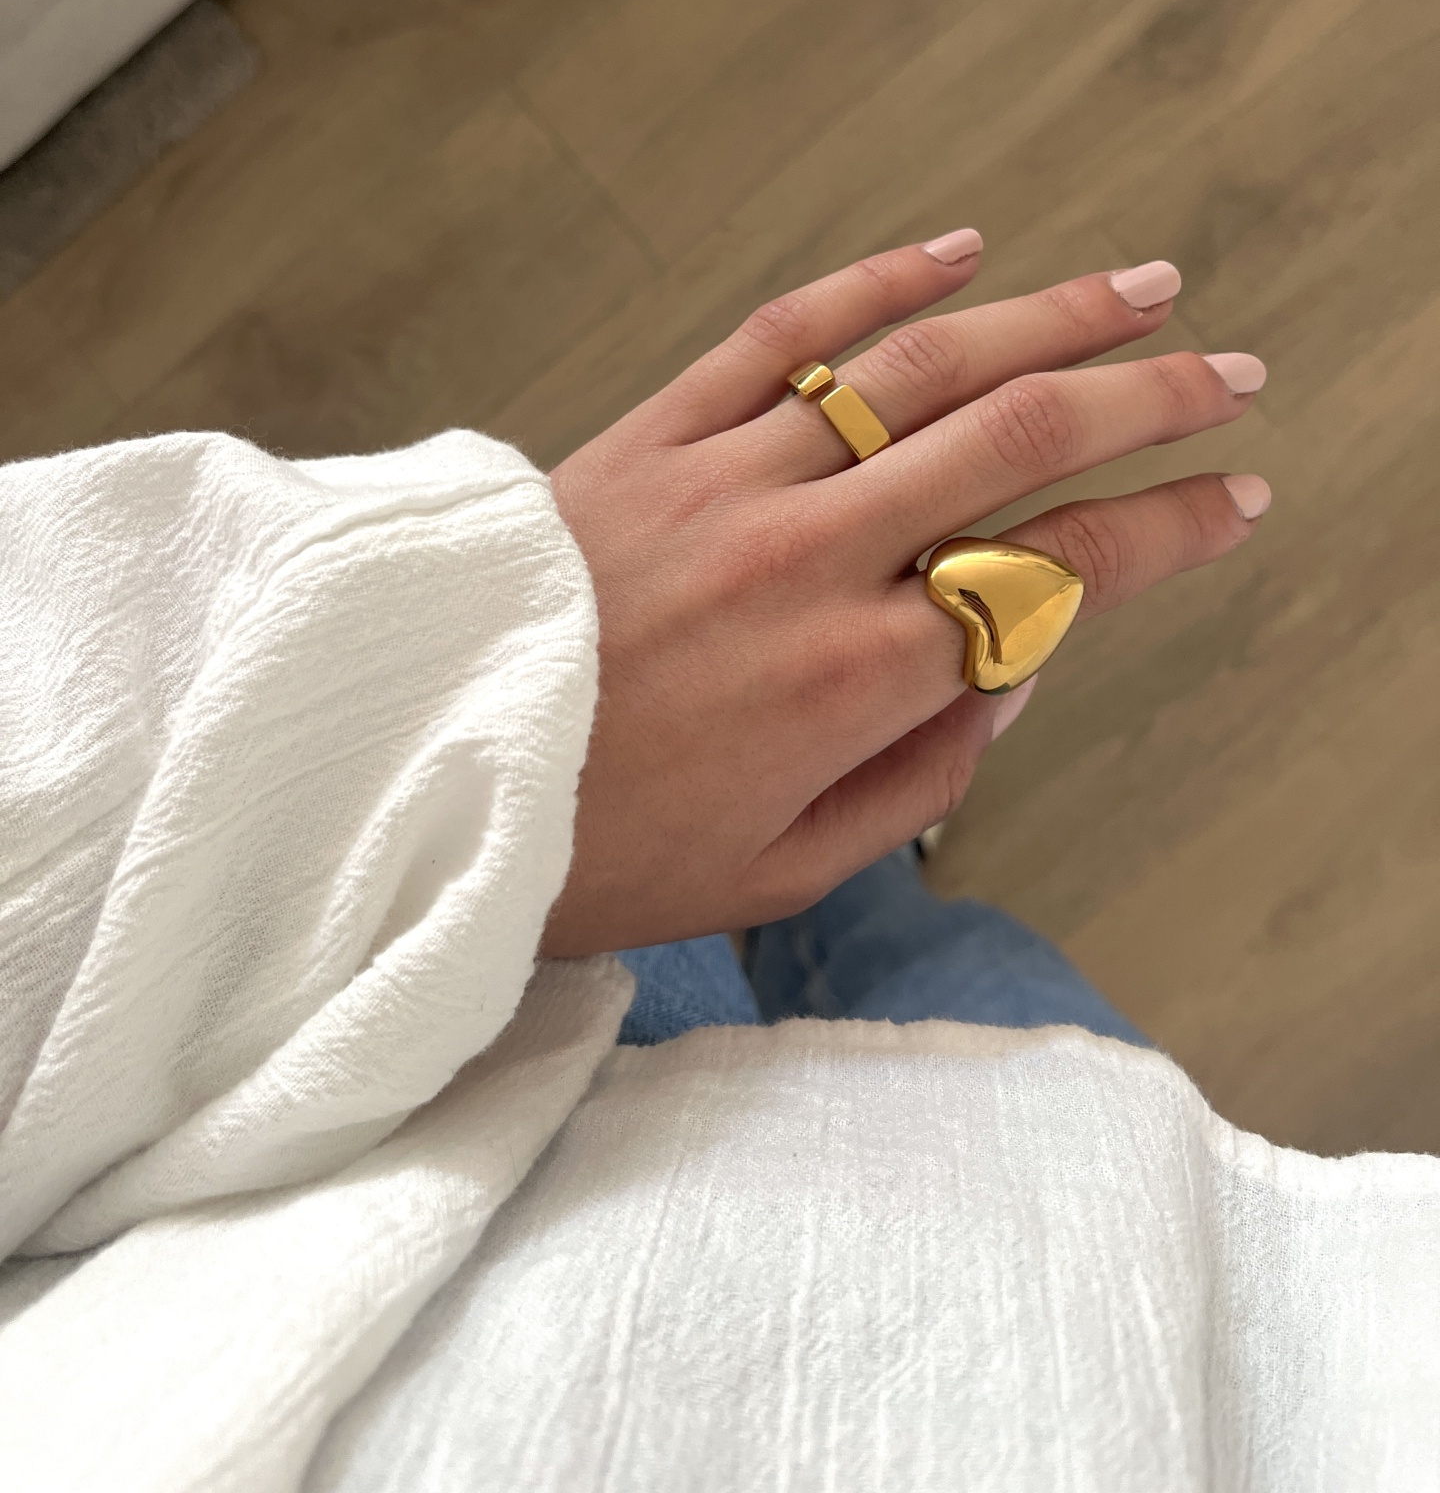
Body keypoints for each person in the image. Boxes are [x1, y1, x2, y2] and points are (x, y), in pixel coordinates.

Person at [1, 237, 1436, 1492]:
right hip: (1149, 1277)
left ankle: (843, 826)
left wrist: (471, 715)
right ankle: (852, 842)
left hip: (415, 1207)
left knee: (885, 940)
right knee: (977, 985)